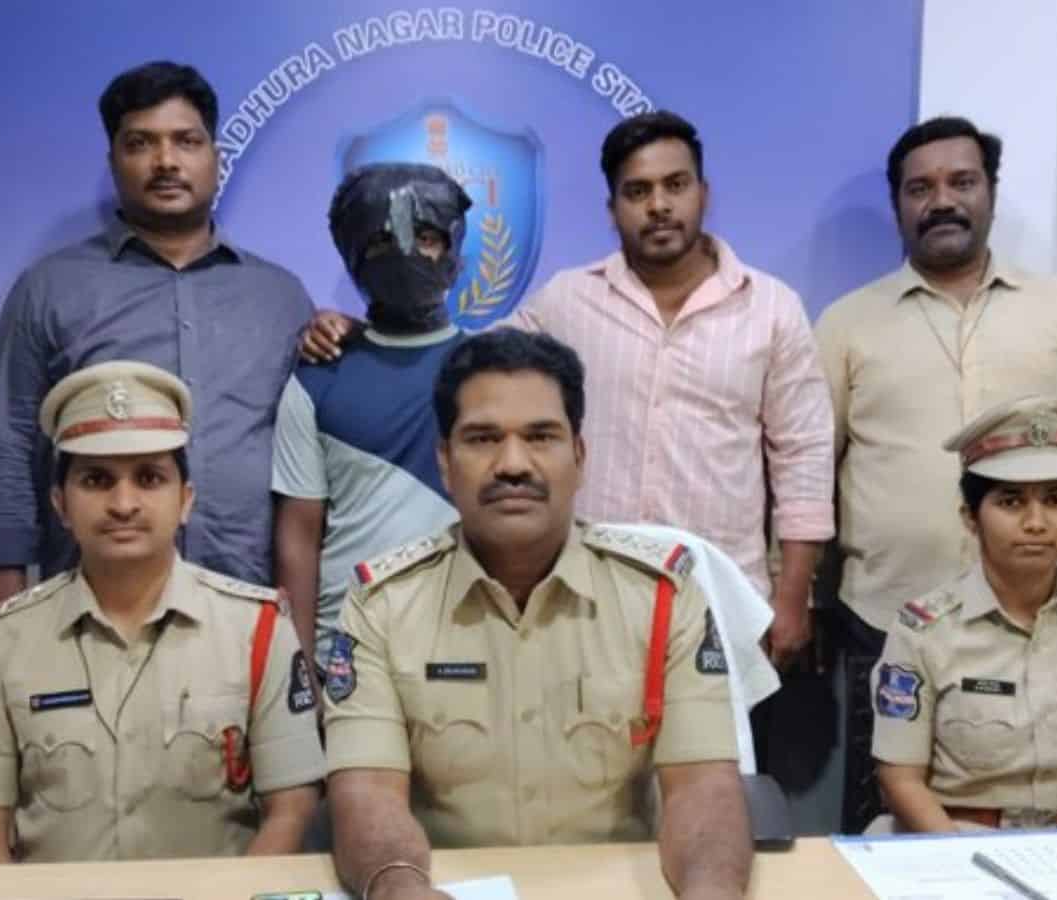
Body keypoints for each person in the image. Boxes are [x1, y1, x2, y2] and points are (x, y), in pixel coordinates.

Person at [301, 111, 834, 674]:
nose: (659, 205)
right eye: (637, 191)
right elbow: (462, 359)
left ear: (704, 193)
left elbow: (803, 458)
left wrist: (792, 597)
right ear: (612, 208)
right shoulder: (569, 301)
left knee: (715, 737)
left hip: (721, 600)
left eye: (675, 185)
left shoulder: (771, 309)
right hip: (588, 605)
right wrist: (362, 334)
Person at [323, 330, 751, 900]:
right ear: (445, 462)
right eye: (482, 439)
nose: (512, 464)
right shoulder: (381, 605)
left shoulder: (662, 597)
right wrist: (400, 888)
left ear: (580, 457)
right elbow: (367, 791)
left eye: (541, 436)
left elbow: (701, 786)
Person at [815, 115, 1057, 831]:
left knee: (1041, 814)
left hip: (1046, 622)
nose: (942, 200)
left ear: (990, 191)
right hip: (886, 619)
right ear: (898, 204)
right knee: (886, 832)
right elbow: (812, 470)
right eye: (920, 188)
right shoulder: (847, 323)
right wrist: (804, 593)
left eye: (961, 182)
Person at [0, 361, 325, 863]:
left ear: (185, 500)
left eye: (149, 478)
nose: (123, 503)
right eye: (96, 480)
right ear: (60, 504)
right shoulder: (2, 642)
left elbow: (293, 812)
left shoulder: (258, 630)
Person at [0, 60, 314, 606]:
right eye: (141, 143)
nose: (166, 161)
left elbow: (311, 470)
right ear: (113, 161)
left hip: (247, 612)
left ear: (216, 156)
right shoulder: (49, 290)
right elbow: (8, 456)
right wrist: (4, 623)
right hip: (92, 613)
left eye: (186, 141)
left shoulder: (281, 298)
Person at [870, 395, 1057, 841]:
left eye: (1056, 500)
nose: (1036, 522)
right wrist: (959, 861)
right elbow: (901, 778)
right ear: (971, 517)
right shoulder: (925, 632)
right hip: (954, 844)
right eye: (1011, 503)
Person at [273, 163, 471, 675]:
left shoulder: (491, 370)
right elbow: (298, 539)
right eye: (382, 241)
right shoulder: (316, 379)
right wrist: (302, 675)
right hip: (348, 651)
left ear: (453, 246)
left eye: (425, 237)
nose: (407, 254)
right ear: (352, 255)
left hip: (467, 644)